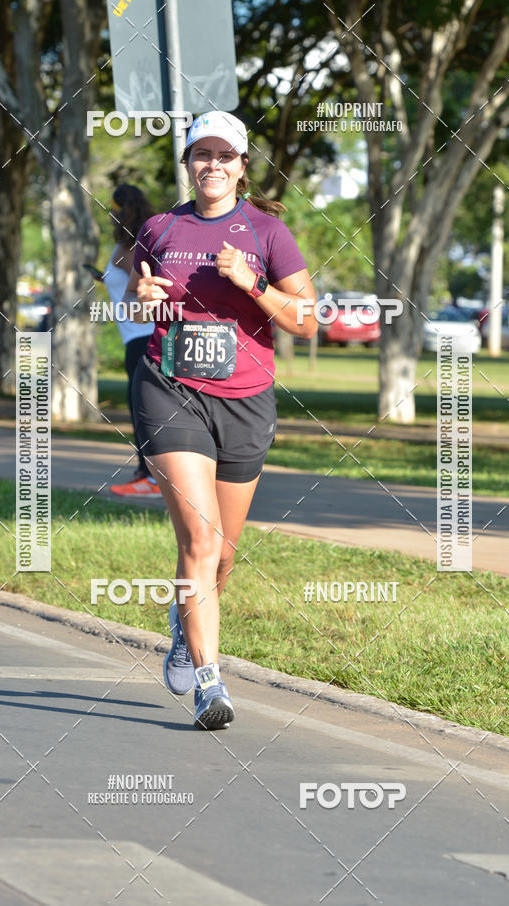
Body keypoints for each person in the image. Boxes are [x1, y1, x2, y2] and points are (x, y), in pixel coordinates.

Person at [124, 111, 317, 729]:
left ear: (242, 166)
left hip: (245, 399)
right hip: (169, 388)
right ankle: (211, 683)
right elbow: (133, 298)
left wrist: (252, 283)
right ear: (187, 163)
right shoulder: (159, 228)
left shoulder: (267, 232)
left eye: (224, 155)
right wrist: (140, 299)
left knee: (224, 557)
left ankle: (184, 629)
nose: (213, 165)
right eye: (202, 154)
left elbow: (307, 320)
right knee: (200, 542)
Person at [102, 184, 162, 498]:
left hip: (143, 336)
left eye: (112, 209)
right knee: (142, 408)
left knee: (144, 410)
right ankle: (148, 474)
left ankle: (151, 478)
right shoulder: (129, 244)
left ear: (121, 211)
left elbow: (143, 283)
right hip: (136, 336)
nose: (109, 215)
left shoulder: (132, 248)